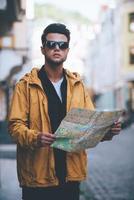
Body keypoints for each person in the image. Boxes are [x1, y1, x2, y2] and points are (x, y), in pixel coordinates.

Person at [8, 23, 121, 200]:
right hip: (37, 178)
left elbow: (89, 126)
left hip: (70, 176)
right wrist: (35, 137)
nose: (57, 49)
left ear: (67, 50)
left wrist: (107, 131)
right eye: (51, 44)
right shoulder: (25, 85)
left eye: (62, 45)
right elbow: (15, 127)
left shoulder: (78, 85)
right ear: (43, 49)